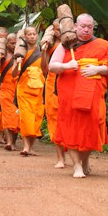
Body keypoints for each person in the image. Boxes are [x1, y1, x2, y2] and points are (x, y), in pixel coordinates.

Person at [48, 13, 108, 178]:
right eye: (83, 26)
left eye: (90, 27)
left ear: (93, 28)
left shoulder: (102, 45)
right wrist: (66, 65)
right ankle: (77, 166)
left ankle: (85, 160)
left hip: (92, 93)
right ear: (76, 26)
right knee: (71, 128)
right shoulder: (66, 44)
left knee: (92, 126)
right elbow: (52, 66)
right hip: (69, 93)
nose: (86, 29)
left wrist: (97, 69)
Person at [39, 21, 68, 168]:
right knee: (54, 120)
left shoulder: (71, 43)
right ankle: (60, 158)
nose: (59, 32)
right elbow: (44, 69)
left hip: (68, 82)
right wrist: (44, 51)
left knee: (68, 119)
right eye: (57, 30)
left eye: (61, 29)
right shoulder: (50, 46)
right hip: (52, 84)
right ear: (53, 30)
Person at [14, 26, 45, 157]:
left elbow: (45, 69)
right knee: (26, 118)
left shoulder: (41, 51)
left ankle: (31, 147)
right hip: (24, 90)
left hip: (38, 89)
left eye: (34, 34)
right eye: (29, 34)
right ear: (25, 37)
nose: (32, 36)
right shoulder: (21, 52)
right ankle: (26, 147)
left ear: (37, 36)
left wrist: (45, 53)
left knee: (36, 119)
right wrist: (17, 62)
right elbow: (13, 73)